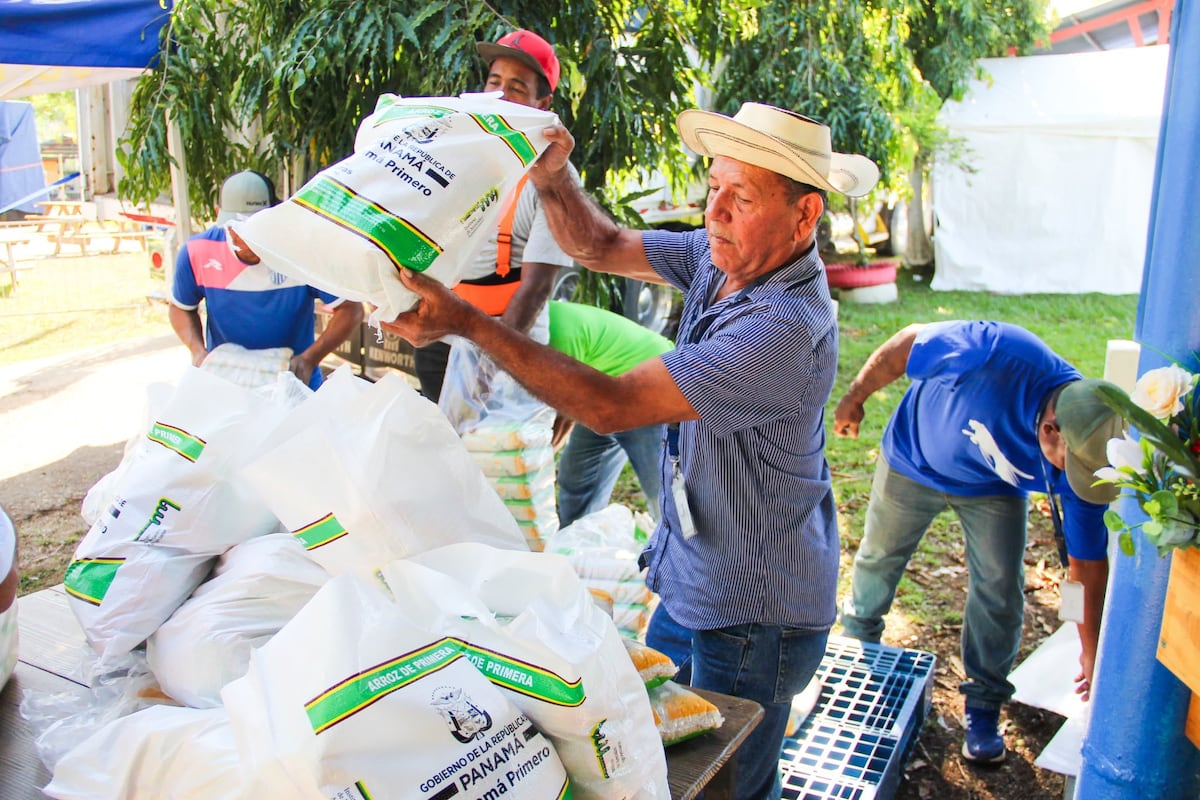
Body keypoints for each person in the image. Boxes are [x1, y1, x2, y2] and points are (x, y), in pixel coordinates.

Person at [384, 102, 880, 799]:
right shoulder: (723, 259)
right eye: (714, 189)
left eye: (742, 199)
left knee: (727, 784)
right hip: (694, 574)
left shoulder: (784, 329)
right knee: (668, 756)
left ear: (804, 218)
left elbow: (608, 405)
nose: (717, 213)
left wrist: (470, 323)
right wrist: (554, 178)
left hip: (753, 611)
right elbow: (599, 243)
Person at [833, 320, 1123, 765]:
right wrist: (855, 398)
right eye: (1071, 471)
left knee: (1001, 587)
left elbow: (1085, 569)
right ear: (1050, 429)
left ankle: (984, 703)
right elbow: (907, 343)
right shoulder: (996, 353)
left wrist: (1090, 650)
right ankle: (859, 650)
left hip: (992, 487)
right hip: (914, 459)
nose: (1073, 483)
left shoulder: (1088, 461)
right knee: (878, 558)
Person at [413, 29, 576, 402]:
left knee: (500, 457)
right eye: (494, 82)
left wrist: (490, 362)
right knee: (441, 452)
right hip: (441, 339)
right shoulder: (454, 152)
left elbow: (536, 286)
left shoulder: (552, 175)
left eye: (517, 87)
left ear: (542, 102)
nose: (500, 95)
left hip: (512, 344)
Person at [168, 170, 363, 389]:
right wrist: (198, 351)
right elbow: (181, 307)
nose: (245, 238)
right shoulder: (197, 252)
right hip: (227, 383)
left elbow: (350, 309)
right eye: (236, 227)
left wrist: (309, 360)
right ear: (219, 215)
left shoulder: (301, 252)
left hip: (294, 383)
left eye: (255, 227)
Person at [547, 300, 673, 526]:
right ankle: (577, 545)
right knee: (576, 477)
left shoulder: (557, 332)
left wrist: (544, 451)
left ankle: (683, 552)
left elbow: (566, 405)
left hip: (650, 385)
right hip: (601, 391)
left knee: (663, 487)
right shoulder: (533, 324)